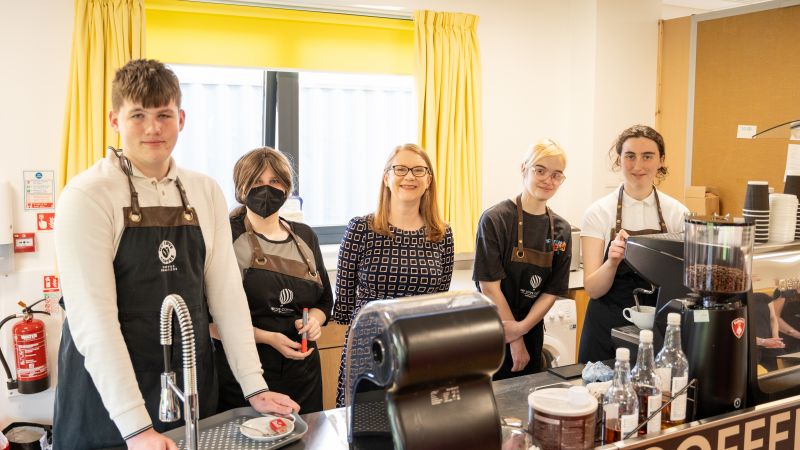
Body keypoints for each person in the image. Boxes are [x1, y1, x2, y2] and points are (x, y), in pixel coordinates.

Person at [53, 59, 299, 450]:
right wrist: (136, 428)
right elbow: (94, 323)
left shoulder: (204, 191)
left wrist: (255, 387)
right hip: (109, 401)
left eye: (164, 114)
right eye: (138, 115)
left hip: (188, 384)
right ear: (114, 119)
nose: (153, 128)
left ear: (181, 118)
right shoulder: (87, 196)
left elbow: (227, 296)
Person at [332, 143, 454, 407]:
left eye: (418, 170)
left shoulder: (442, 234)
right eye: (400, 169)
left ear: (429, 180)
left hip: (420, 351)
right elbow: (343, 305)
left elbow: (439, 301)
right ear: (386, 178)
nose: (409, 176)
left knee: (417, 430)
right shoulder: (360, 229)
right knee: (367, 432)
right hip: (369, 350)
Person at [213, 147, 333, 414]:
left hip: (303, 373)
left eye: (275, 181)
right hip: (245, 376)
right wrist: (268, 338)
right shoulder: (224, 237)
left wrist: (314, 321)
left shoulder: (305, 236)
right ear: (241, 188)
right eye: (257, 182)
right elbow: (209, 321)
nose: (266, 189)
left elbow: (325, 301)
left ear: (287, 188)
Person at [578, 125, 689, 363]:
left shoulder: (678, 214)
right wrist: (612, 262)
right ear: (620, 160)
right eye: (630, 156)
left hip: (659, 326)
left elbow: (685, 283)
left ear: (661, 160)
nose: (638, 165)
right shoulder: (598, 213)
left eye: (647, 156)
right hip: (606, 325)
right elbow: (593, 289)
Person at [473, 139, 572, 379]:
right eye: (540, 170)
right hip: (495, 329)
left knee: (526, 399)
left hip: (532, 329)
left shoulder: (561, 230)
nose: (548, 180)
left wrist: (523, 328)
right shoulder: (495, 220)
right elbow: (489, 286)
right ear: (524, 169)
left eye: (556, 175)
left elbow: (552, 290)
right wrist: (515, 338)